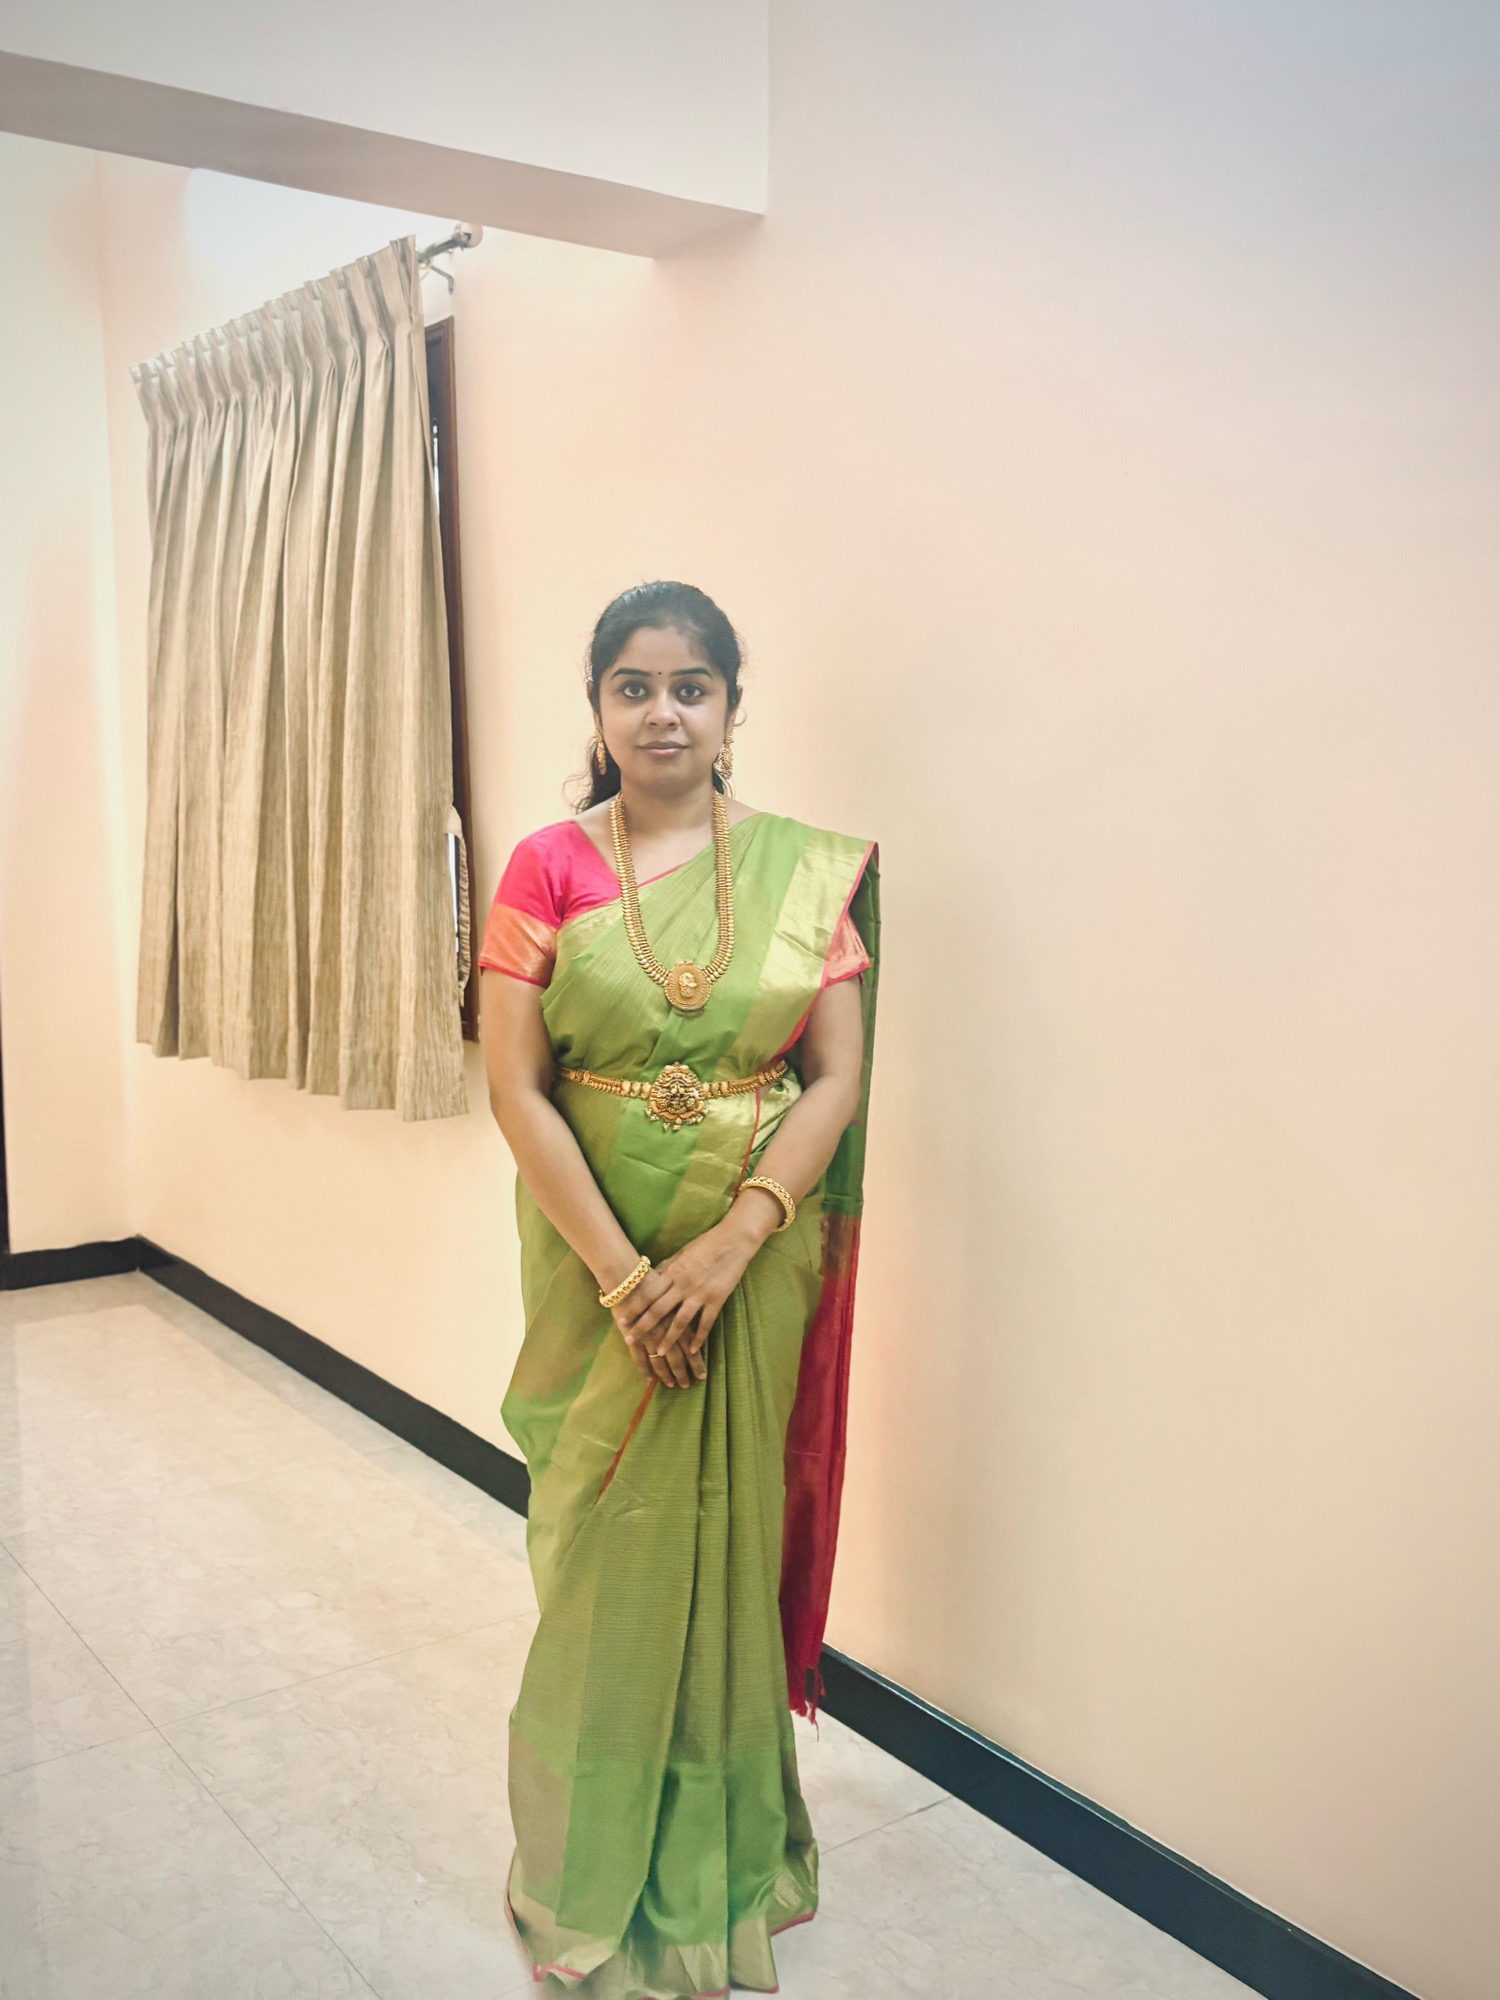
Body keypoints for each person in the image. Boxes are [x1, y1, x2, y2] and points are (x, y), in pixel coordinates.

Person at [479, 581, 880, 1998]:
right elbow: (516, 1087)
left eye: (691, 686)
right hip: (595, 1265)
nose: (663, 712)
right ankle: (589, 1871)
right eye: (634, 686)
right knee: (603, 1548)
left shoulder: (799, 875)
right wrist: (625, 1278)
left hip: (748, 1266)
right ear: (598, 709)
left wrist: (731, 1244)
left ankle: (726, 1864)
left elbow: (833, 1076)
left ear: (730, 708)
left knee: (726, 1546)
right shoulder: (546, 867)